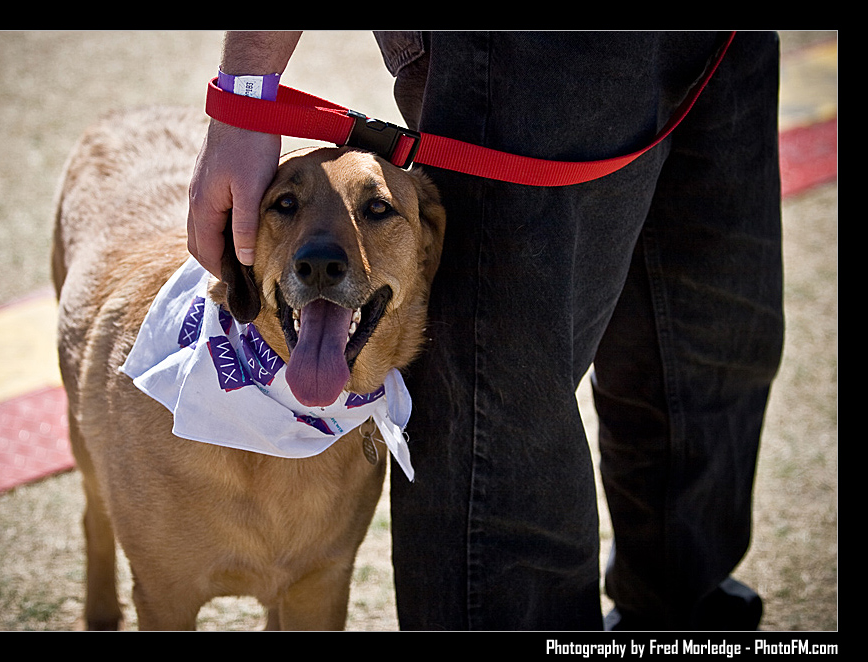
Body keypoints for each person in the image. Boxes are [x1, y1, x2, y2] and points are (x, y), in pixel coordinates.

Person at [187, 30, 784, 631]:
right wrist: (247, 90)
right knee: (498, 408)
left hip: (722, 42)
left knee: (710, 335)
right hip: (525, 50)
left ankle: (684, 618)